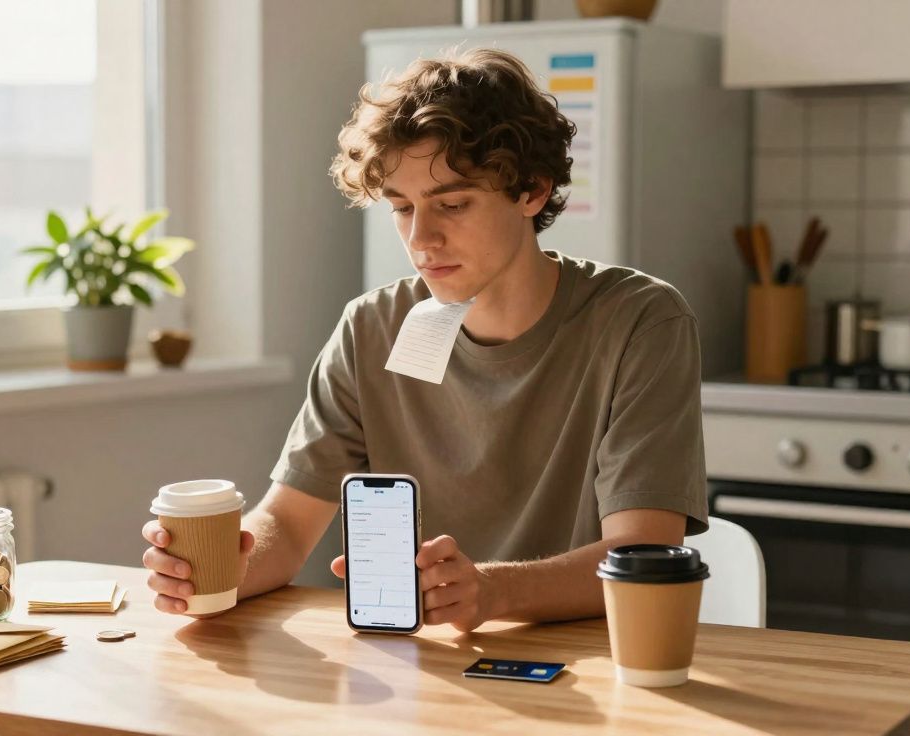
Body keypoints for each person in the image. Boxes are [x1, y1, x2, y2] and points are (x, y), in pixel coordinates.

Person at [141, 47, 707, 632]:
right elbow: (285, 526)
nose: (421, 238)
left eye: (453, 204)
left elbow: (641, 554)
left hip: (587, 668)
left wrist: (488, 591)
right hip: (423, 667)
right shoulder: (371, 328)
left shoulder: (640, 322)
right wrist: (220, 569)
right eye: (401, 208)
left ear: (532, 192)